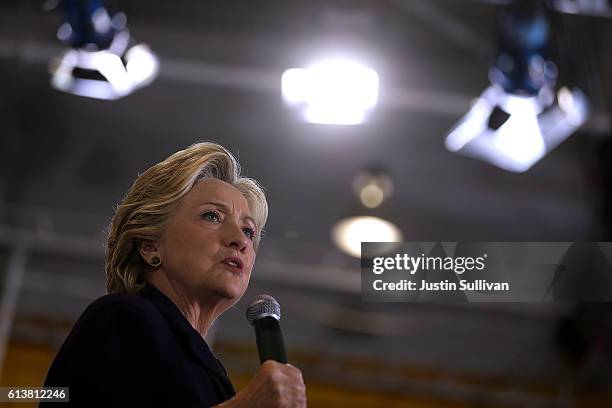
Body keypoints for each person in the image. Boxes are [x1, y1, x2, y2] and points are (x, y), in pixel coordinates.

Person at [41, 142, 306, 407]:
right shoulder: (121, 318)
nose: (240, 240)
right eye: (212, 216)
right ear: (150, 245)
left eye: (248, 231)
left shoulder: (210, 373)